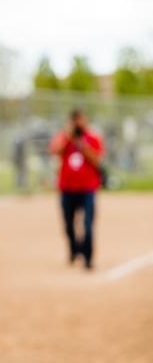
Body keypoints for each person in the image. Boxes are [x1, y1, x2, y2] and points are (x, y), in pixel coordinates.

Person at [49, 109, 104, 270]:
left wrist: (82, 143)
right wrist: (68, 137)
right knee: (68, 224)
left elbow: (96, 160)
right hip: (67, 189)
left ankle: (88, 258)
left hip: (87, 189)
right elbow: (54, 151)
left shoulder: (92, 138)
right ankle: (74, 250)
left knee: (87, 223)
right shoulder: (64, 137)